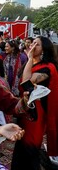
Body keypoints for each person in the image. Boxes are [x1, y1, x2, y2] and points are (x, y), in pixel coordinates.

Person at [12, 36, 58, 169]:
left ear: (44, 49)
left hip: (37, 114)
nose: (32, 46)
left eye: (37, 44)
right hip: (26, 108)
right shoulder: (33, 63)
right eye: (32, 43)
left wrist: (30, 57)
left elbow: (26, 83)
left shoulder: (48, 68)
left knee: (30, 148)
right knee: (20, 144)